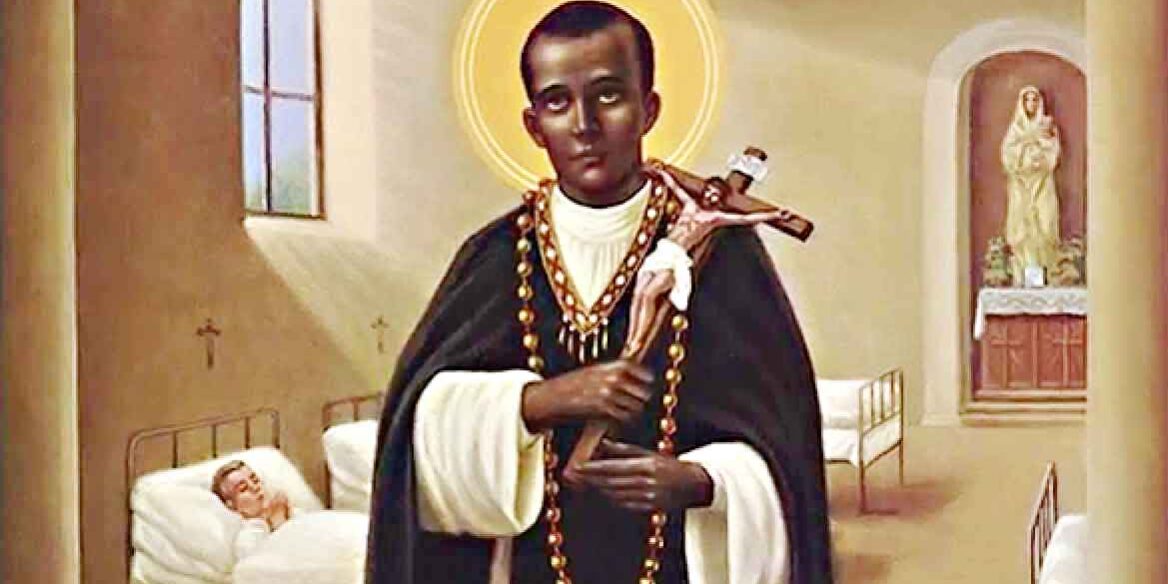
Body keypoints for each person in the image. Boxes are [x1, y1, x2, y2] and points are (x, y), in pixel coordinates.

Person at [366, 2, 831, 583]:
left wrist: (703, 483)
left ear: (648, 109)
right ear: (534, 125)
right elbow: (417, 430)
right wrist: (544, 400)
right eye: (557, 102)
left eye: (608, 95)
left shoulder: (725, 253)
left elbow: (784, 447)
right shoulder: (496, 255)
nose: (584, 124)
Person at [1001, 85, 1061, 285]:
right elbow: (1007, 155)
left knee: (1045, 223)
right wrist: (1024, 147)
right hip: (1021, 184)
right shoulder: (1016, 130)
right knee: (1022, 226)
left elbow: (1053, 152)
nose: (1031, 104)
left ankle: (1047, 271)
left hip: (1042, 183)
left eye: (1035, 100)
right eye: (1027, 100)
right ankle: (1022, 272)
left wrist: (1040, 153)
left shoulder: (1046, 127)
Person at [211, 460, 294, 560]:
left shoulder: (292, 512)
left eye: (255, 480)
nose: (255, 487)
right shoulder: (247, 541)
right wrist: (279, 522)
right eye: (243, 488)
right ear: (231, 506)